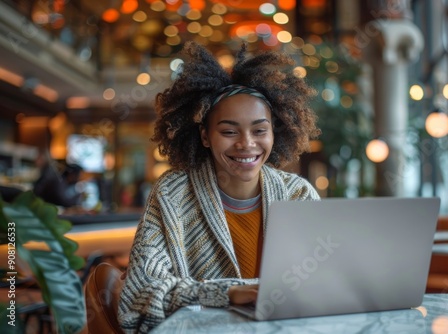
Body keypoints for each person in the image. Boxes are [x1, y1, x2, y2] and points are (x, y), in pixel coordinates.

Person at [118, 41, 321, 333]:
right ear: (204, 136)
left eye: (259, 130)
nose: (246, 144)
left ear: (274, 133)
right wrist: (225, 293)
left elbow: (324, 282)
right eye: (228, 131)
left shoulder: (298, 194)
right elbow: (141, 294)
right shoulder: (173, 194)